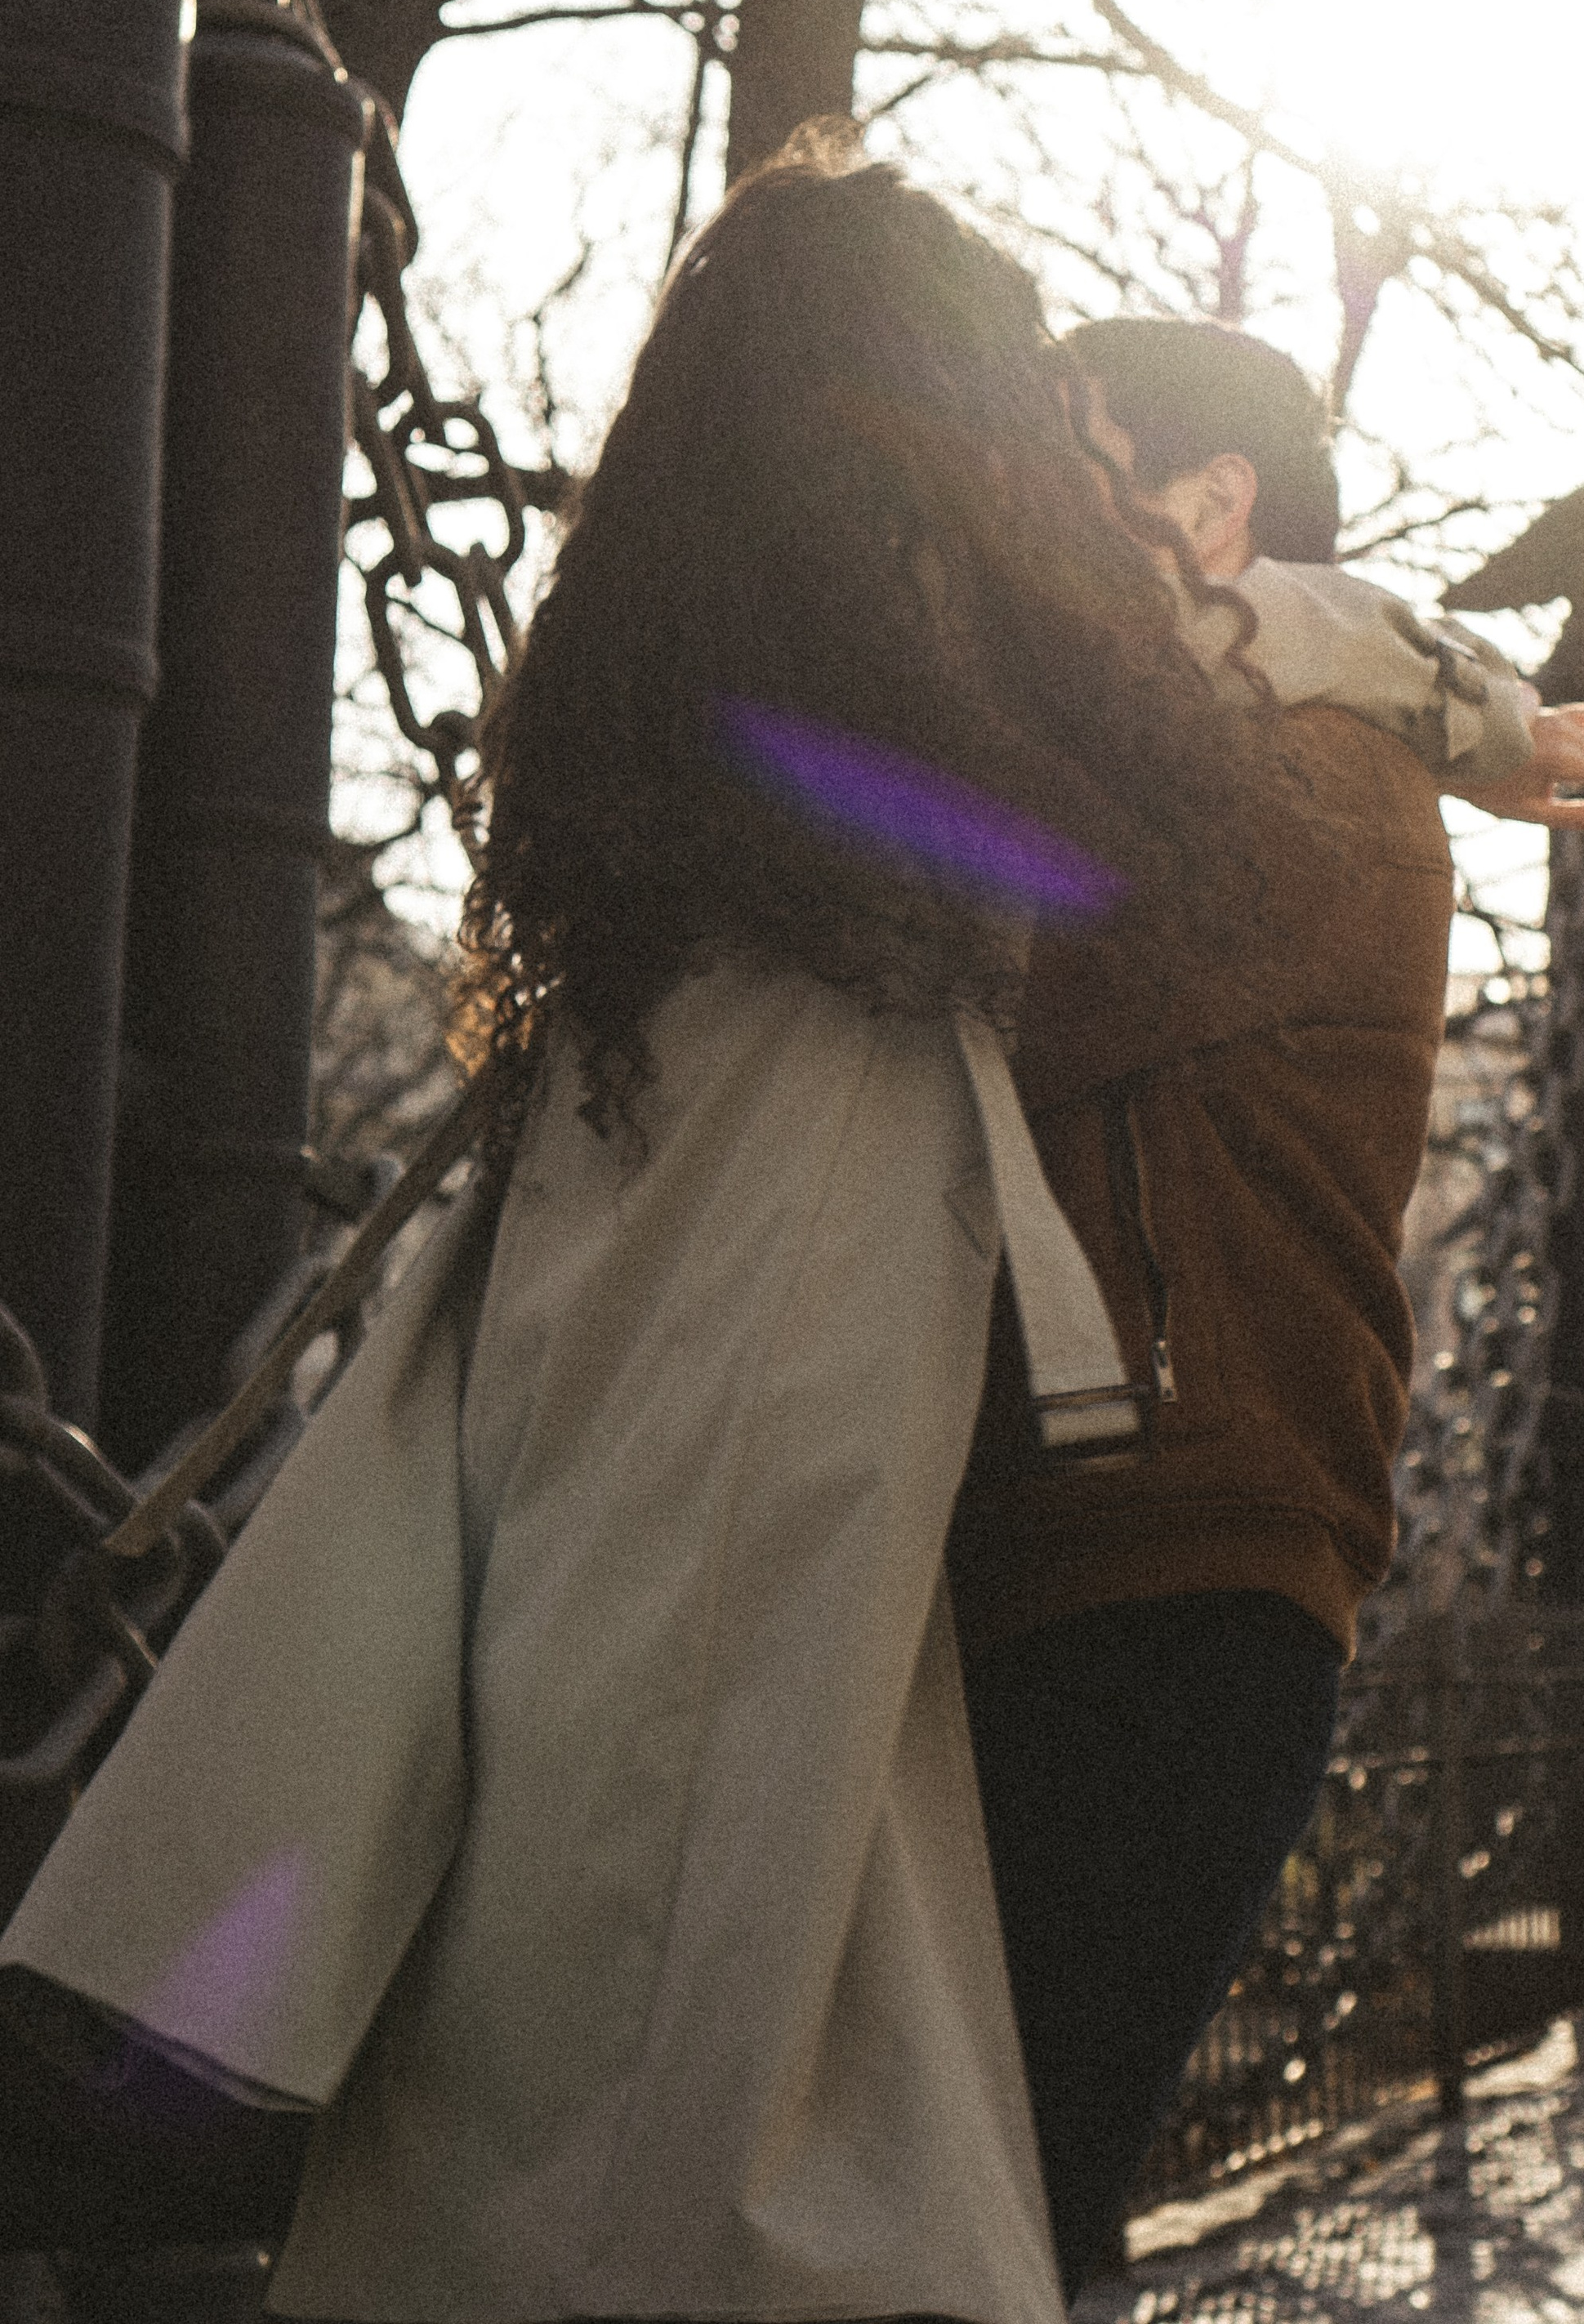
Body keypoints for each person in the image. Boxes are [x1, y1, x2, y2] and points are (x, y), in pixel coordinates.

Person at [1, 146, 1328, 2321]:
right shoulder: (927, 742)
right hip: (782, 1389)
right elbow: (1175, 753)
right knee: (703, 2006)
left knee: (576, 1960)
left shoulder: (674, 751)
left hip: (611, 1386)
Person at [950, 314, 1584, 2289]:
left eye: (1069, 460)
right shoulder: (1269, 730)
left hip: (1165, 1563)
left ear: (1210, 505)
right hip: (1112, 1544)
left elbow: (988, 968)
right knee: (983, 2212)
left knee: (995, 2215)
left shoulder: (1307, 782)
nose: (1019, 511)